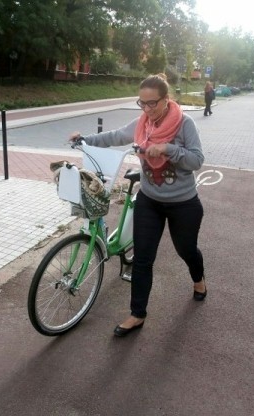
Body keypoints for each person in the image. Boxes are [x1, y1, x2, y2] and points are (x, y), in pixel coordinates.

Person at [70, 74, 206, 337]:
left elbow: (197, 160)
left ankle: (199, 279)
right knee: (143, 258)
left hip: (183, 203)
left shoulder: (184, 124)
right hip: (150, 201)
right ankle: (137, 314)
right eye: (141, 103)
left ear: (166, 100)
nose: (146, 109)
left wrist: (168, 149)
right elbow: (115, 136)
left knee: (186, 249)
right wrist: (84, 139)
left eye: (152, 103)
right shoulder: (142, 123)